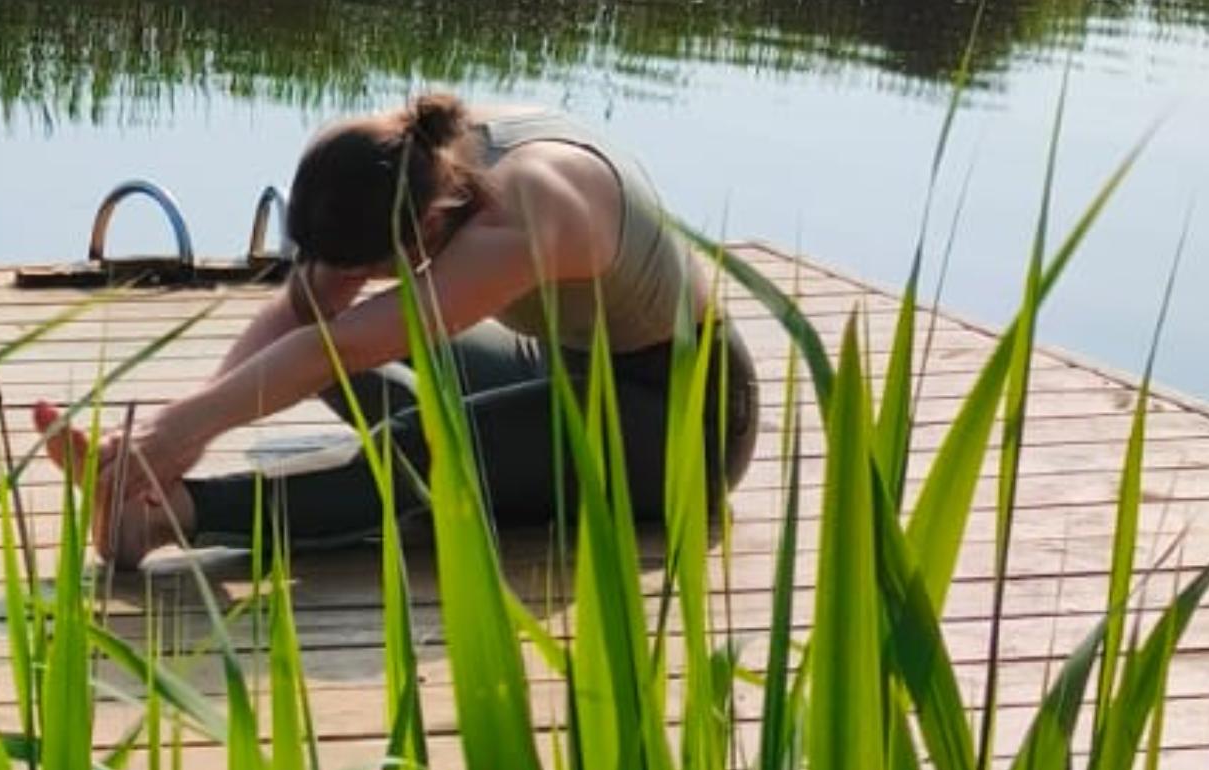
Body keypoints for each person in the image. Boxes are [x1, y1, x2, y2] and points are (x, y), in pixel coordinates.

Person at [83, 93, 759, 568]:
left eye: (368, 272)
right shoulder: (417, 156)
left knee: (431, 444)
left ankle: (174, 517)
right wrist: (182, 436)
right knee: (334, 352)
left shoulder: (519, 214)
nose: (350, 283)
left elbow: (340, 345)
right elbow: (306, 315)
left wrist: (173, 434)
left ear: (427, 233)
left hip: (682, 415)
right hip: (567, 362)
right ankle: (507, 451)